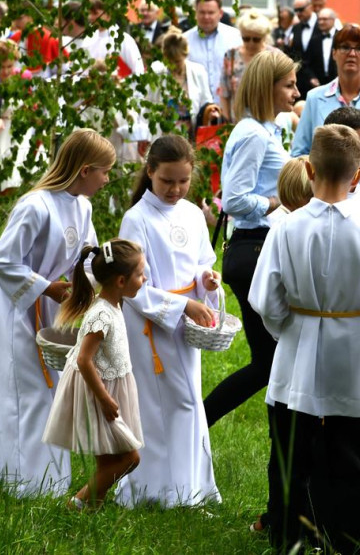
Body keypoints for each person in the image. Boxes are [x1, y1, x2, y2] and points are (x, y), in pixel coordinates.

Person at [250, 123, 360, 554]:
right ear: (358, 174)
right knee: (350, 452)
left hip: (297, 349)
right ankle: (349, 539)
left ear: (309, 168)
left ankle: (289, 537)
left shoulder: (286, 228)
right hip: (351, 352)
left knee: (290, 452)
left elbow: (265, 298)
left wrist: (290, 329)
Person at [0, 129, 114, 497]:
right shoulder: (35, 205)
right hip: (17, 307)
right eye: (104, 172)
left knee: (51, 392)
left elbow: (84, 258)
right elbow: (2, 261)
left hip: (52, 308)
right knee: (24, 391)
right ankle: (21, 481)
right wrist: (45, 287)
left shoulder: (82, 207)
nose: (106, 180)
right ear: (85, 170)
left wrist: (99, 278)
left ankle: (48, 480)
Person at [115, 135, 222, 508]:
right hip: (151, 325)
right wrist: (182, 306)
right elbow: (132, 286)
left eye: (183, 181)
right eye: (167, 181)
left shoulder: (192, 214)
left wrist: (206, 281)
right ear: (150, 172)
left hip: (185, 324)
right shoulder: (137, 219)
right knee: (161, 405)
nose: (176, 189)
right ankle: (159, 490)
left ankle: (191, 486)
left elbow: (202, 261)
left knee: (188, 401)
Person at [203, 51, 296, 427]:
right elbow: (235, 199)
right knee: (270, 361)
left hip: (260, 245)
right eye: (288, 85)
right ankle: (199, 423)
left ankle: (201, 425)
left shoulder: (266, 130)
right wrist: (276, 201)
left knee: (271, 360)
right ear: (266, 88)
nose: (295, 93)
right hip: (254, 248)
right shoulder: (254, 134)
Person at [43, 240, 145, 510]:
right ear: (121, 281)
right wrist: (104, 398)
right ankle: (77, 502)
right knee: (130, 458)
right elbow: (83, 359)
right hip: (98, 391)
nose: (144, 279)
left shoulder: (114, 305)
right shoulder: (101, 315)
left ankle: (92, 507)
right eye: (140, 274)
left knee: (109, 458)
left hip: (109, 385)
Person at [292, 23, 360, 201]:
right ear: (334, 53)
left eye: (359, 48)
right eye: (345, 47)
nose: (352, 54)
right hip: (323, 194)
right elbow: (300, 152)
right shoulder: (315, 97)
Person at [146, 28, 212, 136]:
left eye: (177, 61)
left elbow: (206, 102)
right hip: (164, 137)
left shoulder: (198, 71)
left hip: (192, 136)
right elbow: (148, 106)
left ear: (185, 55)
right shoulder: (156, 72)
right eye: (169, 61)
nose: (173, 66)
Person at [183, 0, 242, 106]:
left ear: (220, 13)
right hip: (196, 108)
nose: (206, 17)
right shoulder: (184, 40)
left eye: (211, 13)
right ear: (195, 13)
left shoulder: (235, 37)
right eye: (202, 12)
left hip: (228, 106)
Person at [219, 9, 275, 121]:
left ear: (265, 37)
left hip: (267, 120)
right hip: (237, 121)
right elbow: (224, 93)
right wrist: (227, 120)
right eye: (246, 38)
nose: (251, 43)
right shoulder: (231, 55)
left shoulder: (275, 56)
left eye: (256, 39)